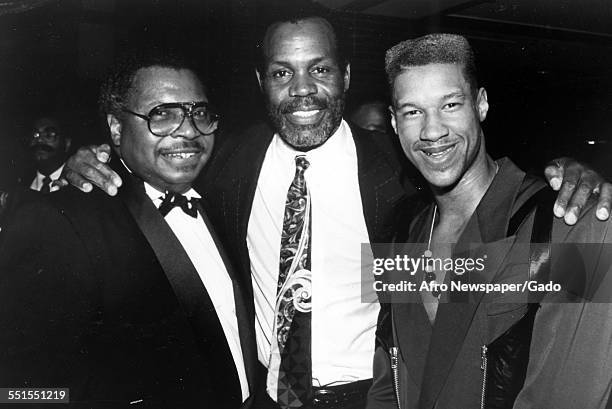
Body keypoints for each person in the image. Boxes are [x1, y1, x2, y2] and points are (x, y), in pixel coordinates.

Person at [58, 4, 612, 409]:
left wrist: (571, 177)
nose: (302, 89)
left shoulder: (401, 180)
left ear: (344, 77)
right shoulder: (224, 165)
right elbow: (158, 159)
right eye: (282, 73)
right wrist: (92, 162)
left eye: (319, 69)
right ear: (262, 83)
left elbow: (565, 338)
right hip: (267, 397)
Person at [0, 50, 258, 408]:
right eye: (162, 114)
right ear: (117, 128)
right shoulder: (61, 222)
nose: (188, 130)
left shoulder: (225, 200)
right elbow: (18, 393)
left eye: (199, 112)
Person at [367, 33, 612, 409]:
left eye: (450, 104)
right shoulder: (398, 230)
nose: (432, 131)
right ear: (394, 123)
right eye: (412, 111)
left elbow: (571, 394)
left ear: (480, 105)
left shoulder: (574, 226)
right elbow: (387, 382)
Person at [25, 113, 72, 193]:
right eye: (35, 135)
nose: (39, 140)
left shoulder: (77, 182)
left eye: (49, 134)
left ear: (67, 143)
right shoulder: (19, 185)